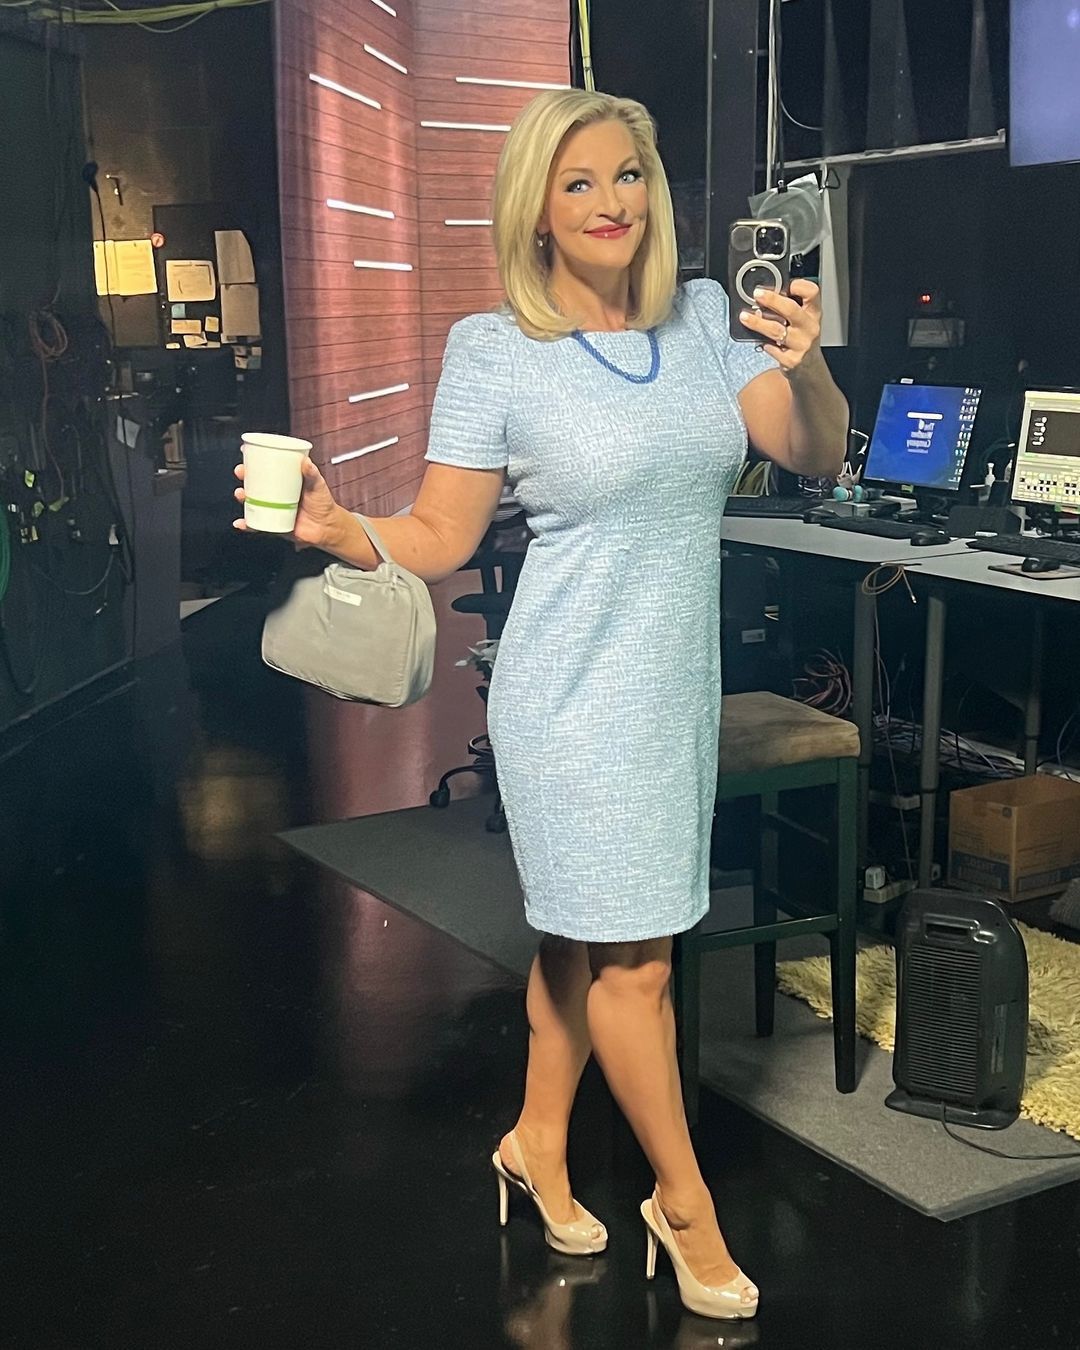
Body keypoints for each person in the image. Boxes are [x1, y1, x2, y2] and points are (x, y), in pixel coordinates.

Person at [234, 88, 847, 1321]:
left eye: (628, 176)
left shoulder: (709, 320)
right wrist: (342, 529)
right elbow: (439, 534)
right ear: (536, 212)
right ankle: (685, 1208)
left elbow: (815, 452)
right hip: (567, 703)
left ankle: (535, 1142)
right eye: (579, 183)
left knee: (578, 943)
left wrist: (807, 361)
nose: (612, 202)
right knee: (638, 967)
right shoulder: (495, 350)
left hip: (671, 695)